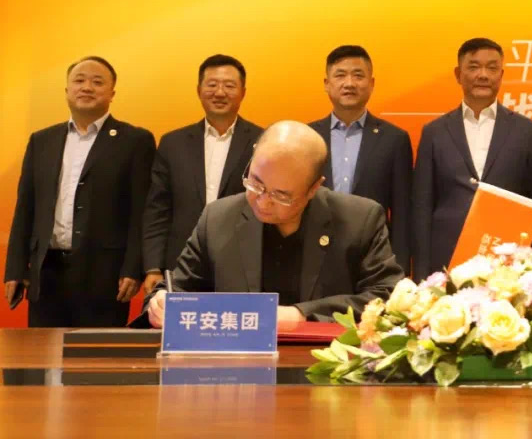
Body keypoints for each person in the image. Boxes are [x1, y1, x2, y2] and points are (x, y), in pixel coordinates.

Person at [145, 121, 403, 327]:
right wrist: (160, 302)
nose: (263, 201)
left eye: (281, 195)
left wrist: (301, 315)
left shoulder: (359, 219)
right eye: (256, 183)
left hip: (327, 366)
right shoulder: (218, 218)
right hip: (238, 365)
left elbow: (387, 298)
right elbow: (177, 287)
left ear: (314, 187)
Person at [4, 57, 155, 327]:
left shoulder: (135, 141)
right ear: (67, 90)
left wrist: (133, 268)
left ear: (112, 93)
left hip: (104, 276)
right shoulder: (42, 140)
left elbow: (141, 211)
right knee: (44, 352)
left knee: (96, 352)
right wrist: (15, 268)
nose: (87, 87)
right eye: (79, 80)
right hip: (47, 271)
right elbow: (25, 207)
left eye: (97, 82)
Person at [411, 38, 532, 279]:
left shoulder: (525, 130)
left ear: (501, 75)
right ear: (458, 74)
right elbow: (422, 205)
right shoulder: (435, 131)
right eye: (473, 67)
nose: (483, 75)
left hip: (508, 259)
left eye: (492, 68)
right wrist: (422, 273)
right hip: (447, 257)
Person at [141, 55, 263, 295]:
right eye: (212, 84)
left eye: (229, 85)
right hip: (182, 261)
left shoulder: (263, 141)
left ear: (243, 92)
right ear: (199, 90)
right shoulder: (172, 143)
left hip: (243, 261)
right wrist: (153, 267)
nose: (220, 92)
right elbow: (158, 209)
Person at [310, 45, 413, 271]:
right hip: (314, 254)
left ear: (372, 83)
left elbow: (402, 214)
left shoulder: (394, 139)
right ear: (327, 83)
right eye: (340, 75)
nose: (349, 83)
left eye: (358, 75)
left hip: (374, 255)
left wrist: (400, 270)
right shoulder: (307, 137)